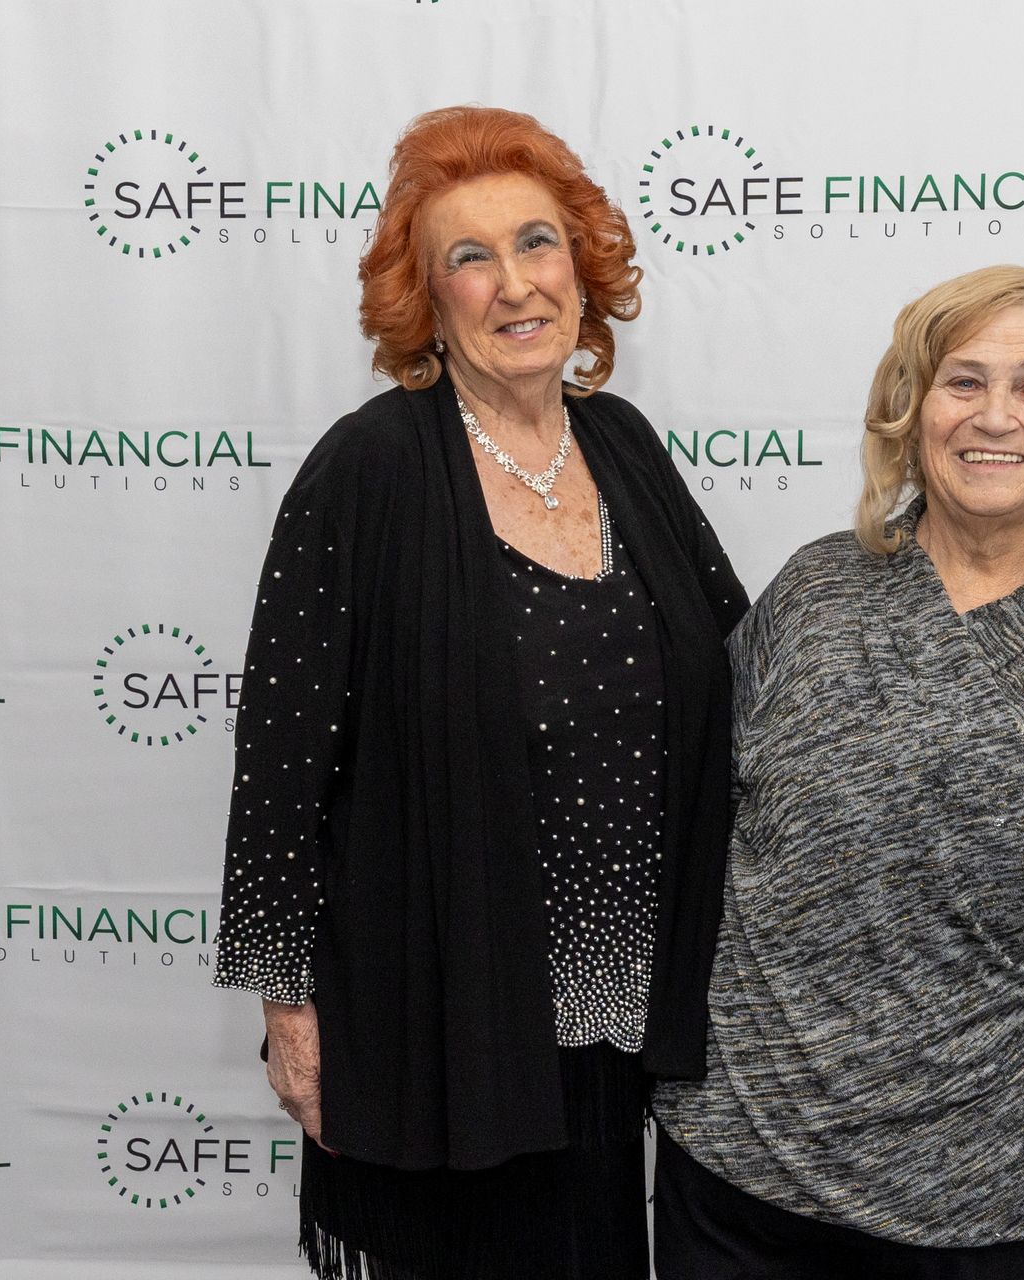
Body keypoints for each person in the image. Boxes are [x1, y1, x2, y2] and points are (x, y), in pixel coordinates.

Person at [212, 105, 748, 1280]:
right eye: (471, 256)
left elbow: (743, 672)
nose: (515, 284)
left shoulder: (627, 448)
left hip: (616, 1017)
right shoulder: (373, 468)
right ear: (427, 298)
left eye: (538, 243)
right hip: (441, 1014)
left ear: (583, 266)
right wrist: (289, 1014)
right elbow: (281, 768)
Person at [650, 265, 1024, 1279]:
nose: (995, 417)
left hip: (1005, 1199)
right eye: (963, 381)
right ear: (914, 408)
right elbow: (692, 828)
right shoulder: (816, 591)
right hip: (749, 1176)